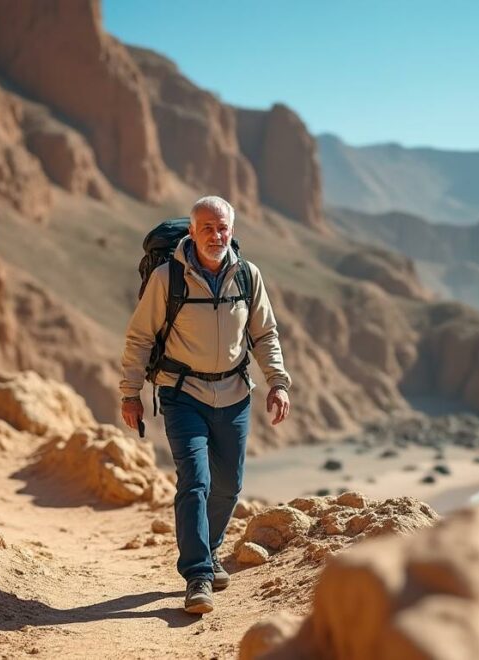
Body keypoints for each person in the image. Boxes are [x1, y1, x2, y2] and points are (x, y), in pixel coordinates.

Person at [118, 195, 291, 614]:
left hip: (234, 394)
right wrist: (130, 392)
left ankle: (210, 551)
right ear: (192, 232)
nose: (216, 235)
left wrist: (278, 382)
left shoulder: (248, 275)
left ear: (232, 230)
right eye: (207, 228)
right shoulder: (167, 277)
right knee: (195, 481)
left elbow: (264, 334)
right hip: (182, 395)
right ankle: (197, 575)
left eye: (223, 228)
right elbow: (140, 337)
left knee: (229, 484)